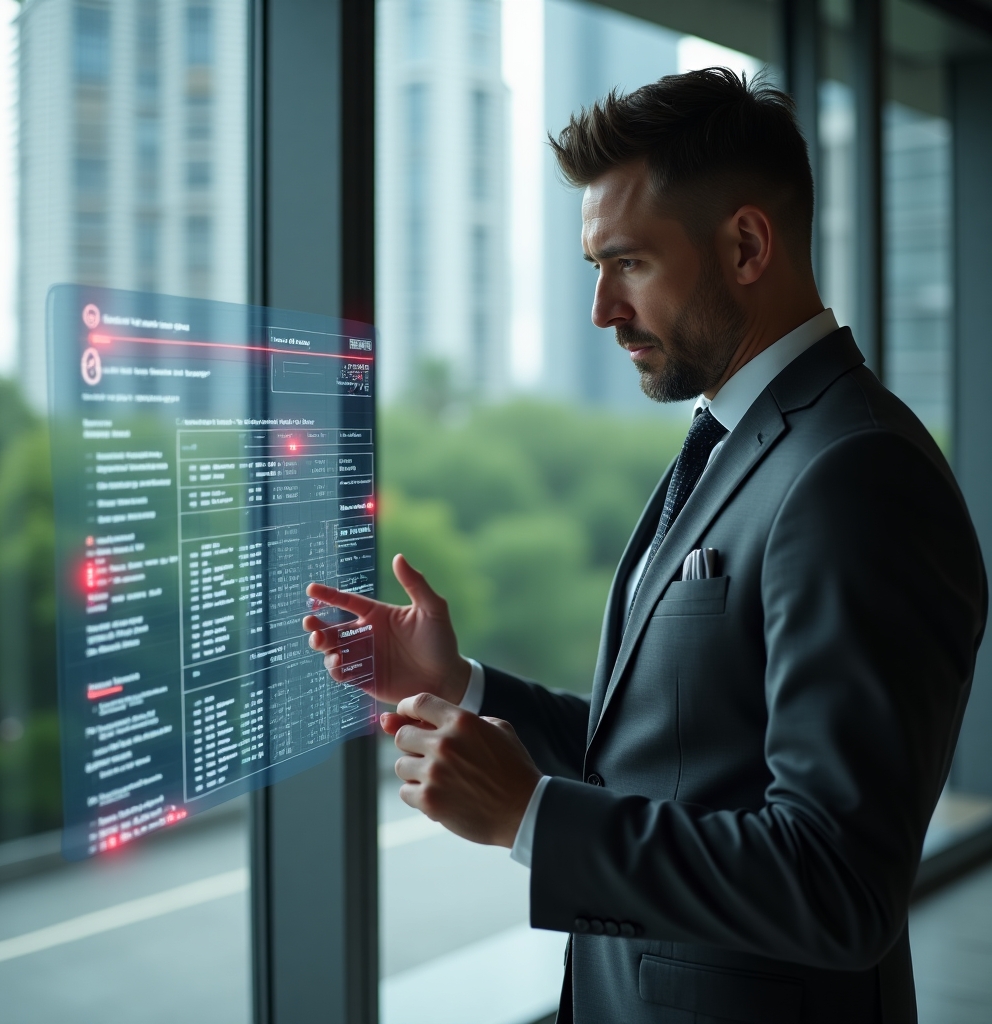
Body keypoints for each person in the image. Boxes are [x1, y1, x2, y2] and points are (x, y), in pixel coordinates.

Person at [304, 69, 987, 1023]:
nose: (602, 309)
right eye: (595, 267)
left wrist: (531, 817)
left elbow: (841, 884)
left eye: (627, 264)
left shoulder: (857, 473)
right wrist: (464, 686)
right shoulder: (746, 438)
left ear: (747, 244)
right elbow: (672, 755)